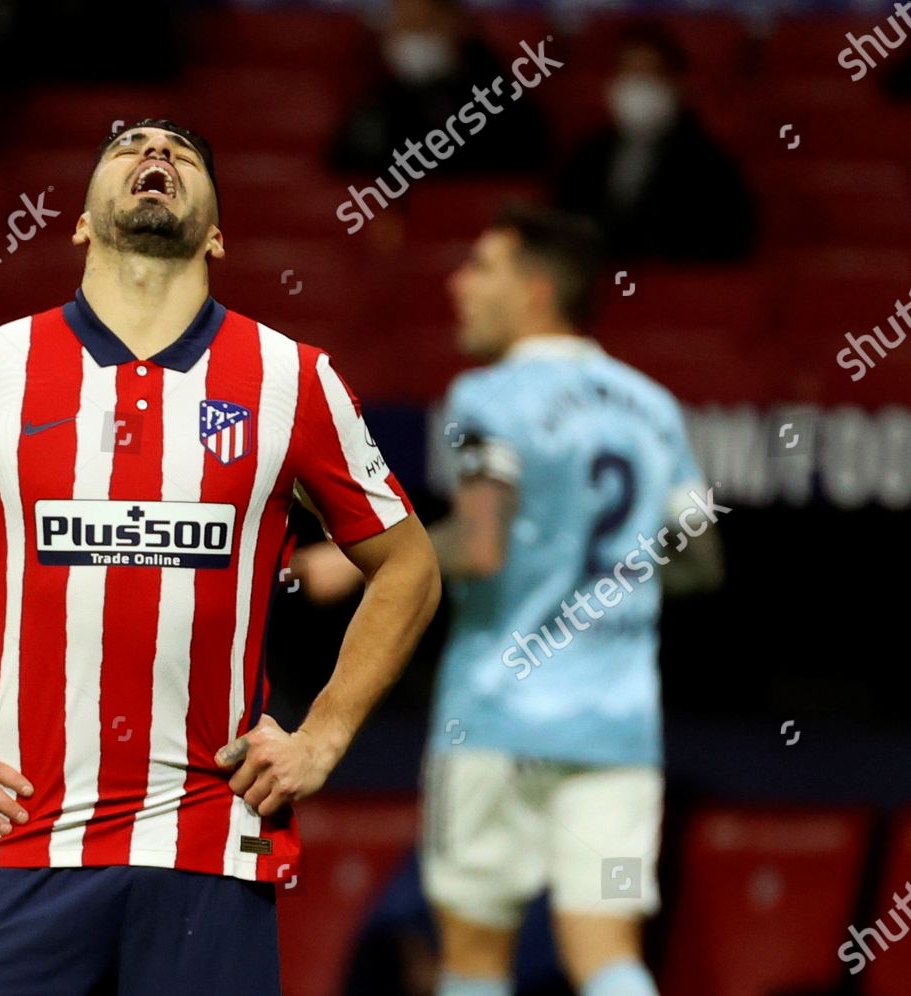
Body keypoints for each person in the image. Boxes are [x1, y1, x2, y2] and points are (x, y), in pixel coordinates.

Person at [0, 119, 442, 995]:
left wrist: (324, 737)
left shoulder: (292, 380)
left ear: (217, 231)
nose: (157, 157)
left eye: (183, 154)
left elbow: (409, 565)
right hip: (17, 849)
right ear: (80, 220)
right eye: (128, 147)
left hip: (209, 853)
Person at [293, 204, 723, 996]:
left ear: (532, 290)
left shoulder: (487, 400)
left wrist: (358, 564)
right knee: (610, 953)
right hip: (619, 740)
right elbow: (700, 559)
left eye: (480, 267)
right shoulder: (652, 407)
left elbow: (482, 544)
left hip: (495, 725)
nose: (459, 284)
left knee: (475, 954)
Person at [554, 23, 755, 263]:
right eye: (629, 72)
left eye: (650, 73)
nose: (638, 86)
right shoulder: (587, 157)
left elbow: (724, 240)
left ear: (676, 84)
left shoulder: (711, 165)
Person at [328, 0, 548, 178]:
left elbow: (513, 161)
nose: (409, 36)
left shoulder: (502, 100)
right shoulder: (377, 99)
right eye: (402, 23)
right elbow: (348, 164)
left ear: (455, 23)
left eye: (421, 24)